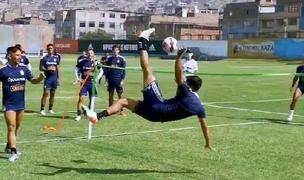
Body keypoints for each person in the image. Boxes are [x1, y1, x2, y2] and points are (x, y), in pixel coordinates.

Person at [83, 28, 212, 150]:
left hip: (157, 105)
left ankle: (143, 41)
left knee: (147, 70)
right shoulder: (199, 107)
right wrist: (208, 143)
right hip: (154, 117)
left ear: (190, 85)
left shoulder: (187, 92)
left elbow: (178, 77)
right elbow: (204, 126)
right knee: (123, 102)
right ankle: (97, 116)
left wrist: (178, 57)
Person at [0, 46, 44, 162]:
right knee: (11, 127)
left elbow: (33, 81)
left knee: (16, 128)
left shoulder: (24, 69)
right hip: (9, 104)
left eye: (21, 55)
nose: (20, 57)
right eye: (18, 55)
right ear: (10, 56)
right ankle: (13, 152)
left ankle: (8, 147)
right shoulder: (3, 70)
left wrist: (39, 79)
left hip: (20, 104)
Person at [74, 48, 103, 121]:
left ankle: (89, 114)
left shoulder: (96, 62)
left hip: (92, 84)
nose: (90, 54)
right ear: (87, 54)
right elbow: (76, 69)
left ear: (93, 54)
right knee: (81, 98)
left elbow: (101, 71)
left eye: (91, 53)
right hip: (84, 83)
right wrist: (78, 78)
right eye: (88, 53)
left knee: (91, 100)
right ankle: (78, 115)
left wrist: (97, 78)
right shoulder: (82, 61)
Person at [39, 44, 61, 115]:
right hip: (48, 78)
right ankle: (42, 109)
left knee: (53, 94)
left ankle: (50, 109)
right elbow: (40, 68)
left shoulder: (56, 57)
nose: (50, 49)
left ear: (53, 49)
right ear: (47, 49)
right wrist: (47, 69)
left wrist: (58, 78)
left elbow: (57, 68)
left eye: (51, 48)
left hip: (54, 78)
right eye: (49, 48)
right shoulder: (44, 58)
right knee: (45, 93)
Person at [106, 45, 126, 116]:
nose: (115, 51)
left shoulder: (122, 59)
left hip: (118, 79)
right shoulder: (109, 59)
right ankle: (110, 111)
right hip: (111, 79)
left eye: (116, 50)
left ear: (119, 51)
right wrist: (106, 79)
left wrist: (122, 80)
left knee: (120, 96)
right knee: (110, 95)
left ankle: (121, 111)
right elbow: (107, 70)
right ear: (112, 51)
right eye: (114, 50)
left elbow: (124, 70)